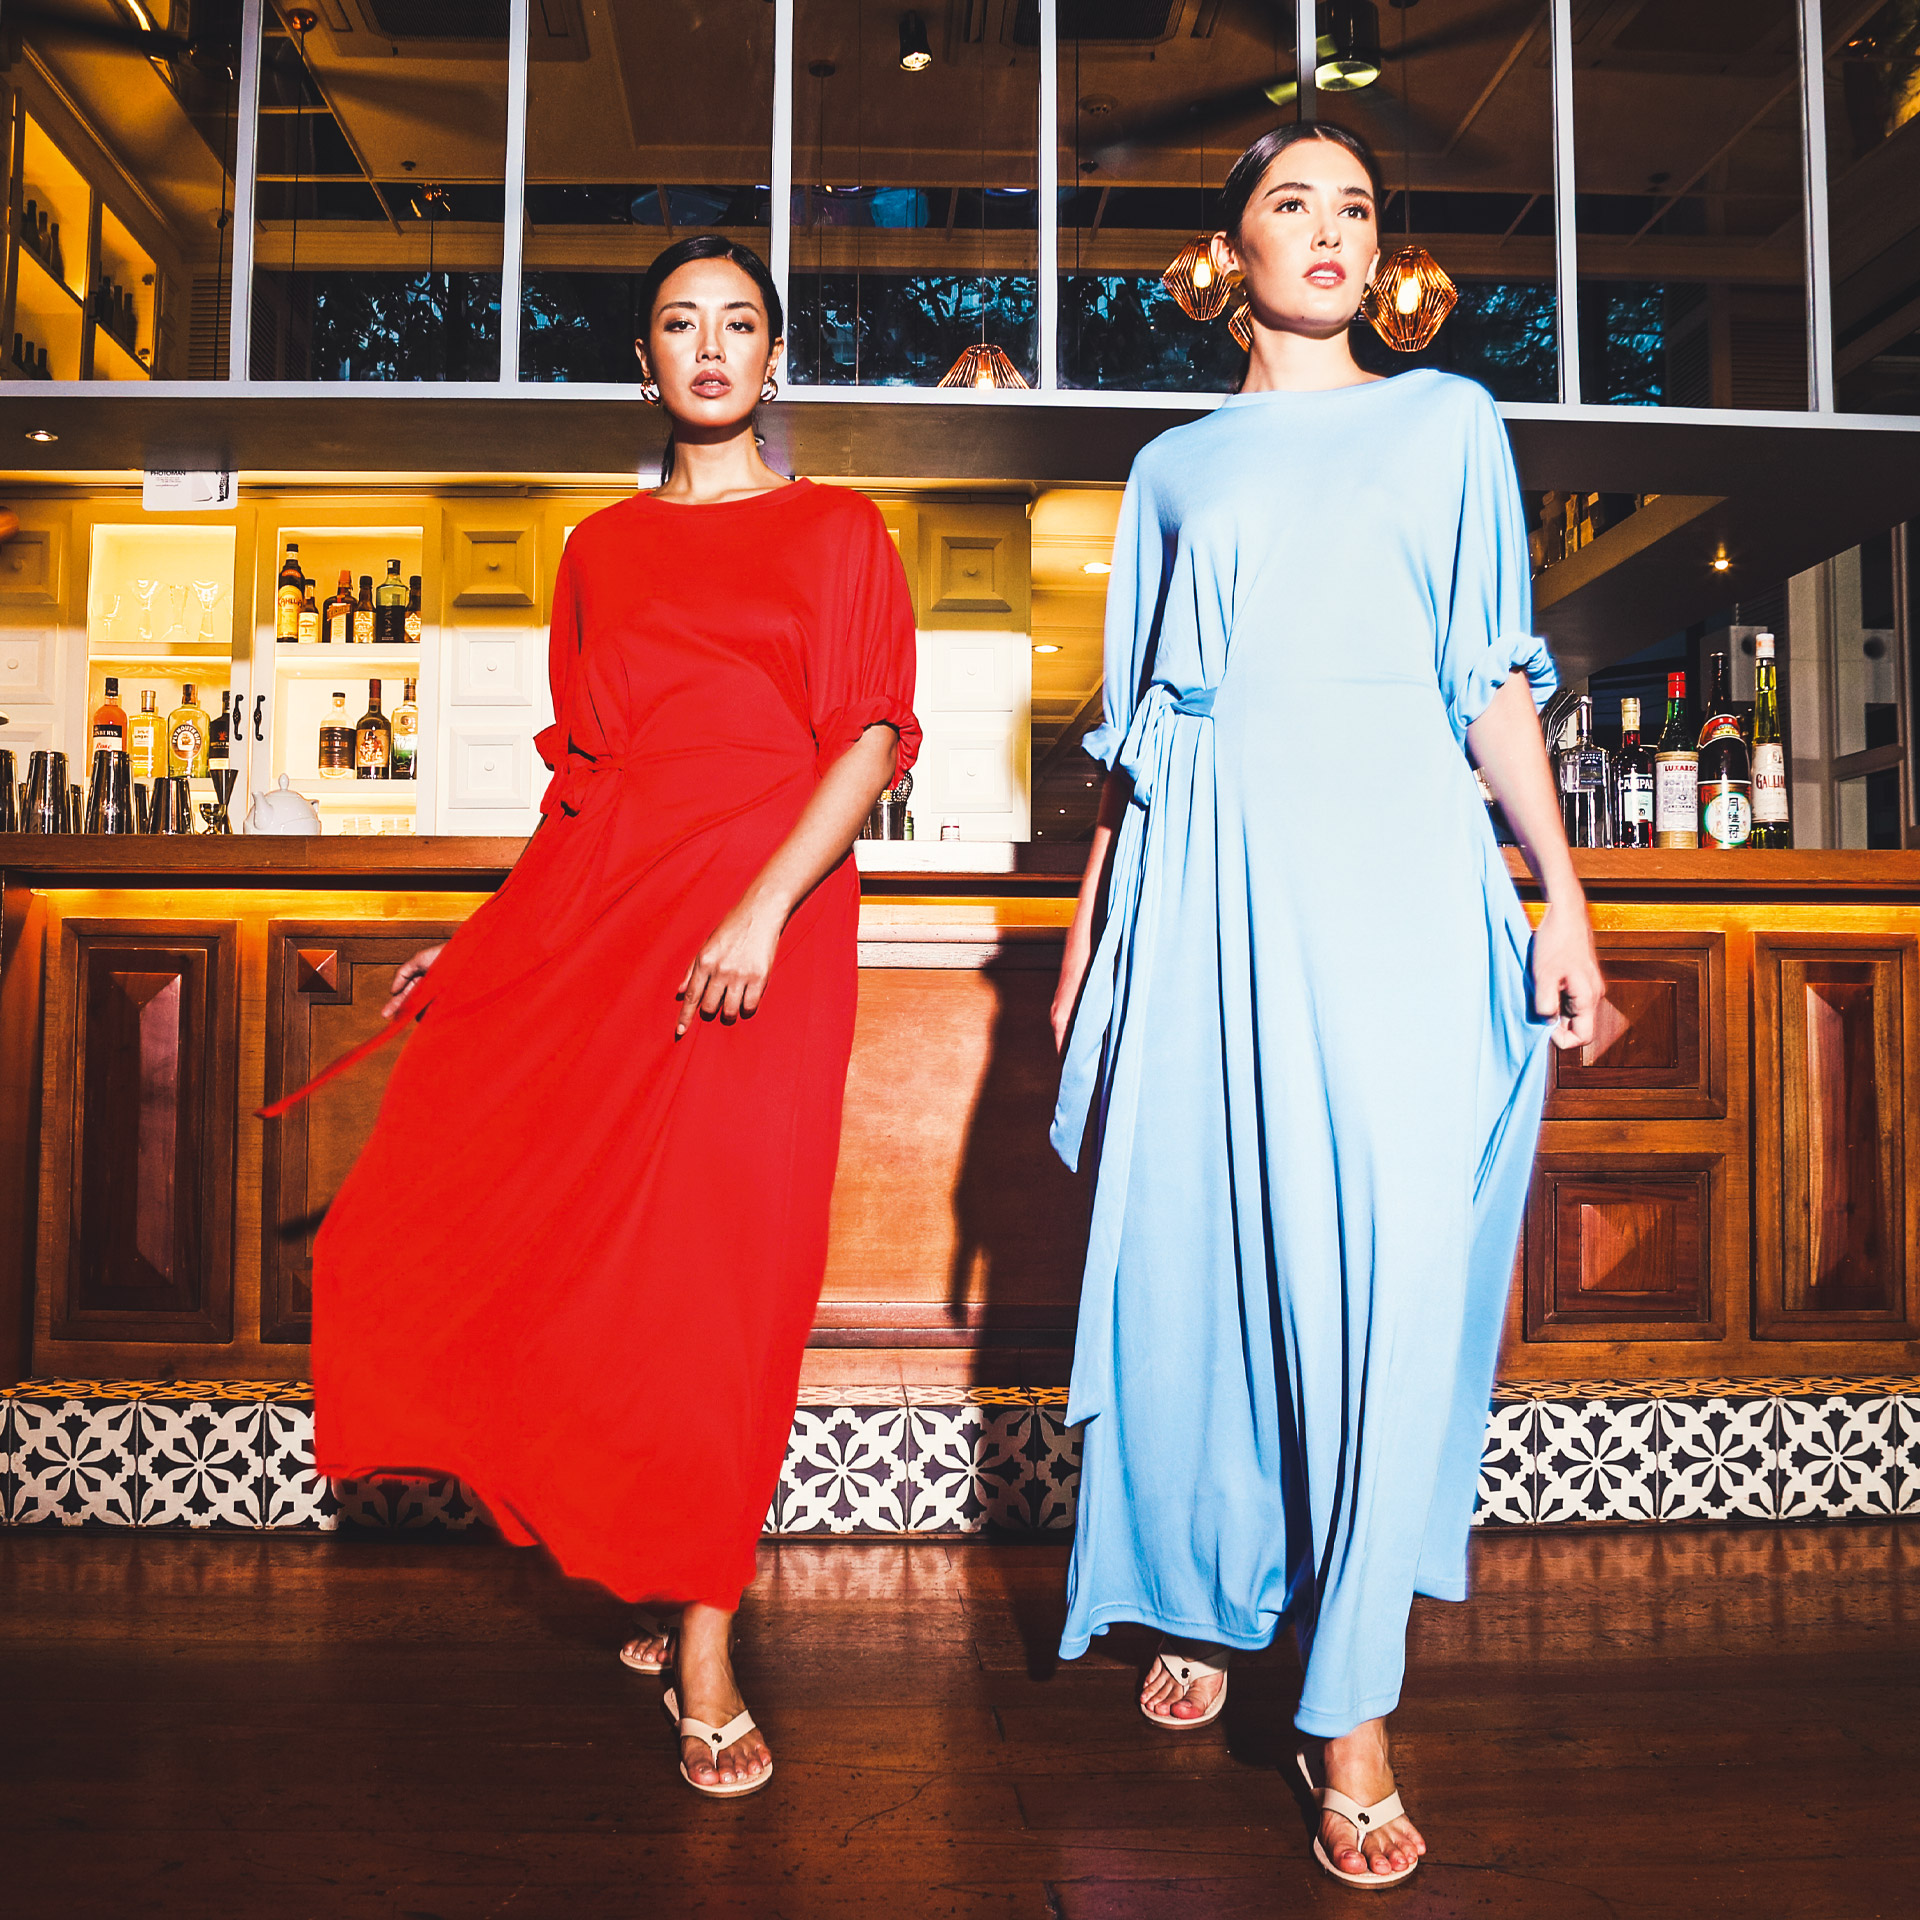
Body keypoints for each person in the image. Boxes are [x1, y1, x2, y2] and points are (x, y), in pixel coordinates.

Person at [1048, 124, 1603, 1888]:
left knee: (1395, 1269)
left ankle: (1349, 1704)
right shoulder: (1171, 469)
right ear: (1232, 250)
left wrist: (1563, 895)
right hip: (1213, 884)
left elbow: (1491, 680)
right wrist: (1087, 937)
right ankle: (1211, 1588)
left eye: (1356, 207)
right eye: (1293, 203)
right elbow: (1138, 736)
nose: (1331, 230)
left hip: (1405, 883)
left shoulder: (1449, 423)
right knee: (1214, 1253)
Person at [306, 235, 920, 1801]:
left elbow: (867, 744)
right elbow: (579, 790)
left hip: (771, 927)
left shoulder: (842, 530)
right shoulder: (600, 550)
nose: (710, 346)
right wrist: (489, 945)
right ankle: (662, 1559)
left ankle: (707, 1639)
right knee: (607, 1272)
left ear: (774, 356)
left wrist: (760, 911)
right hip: (616, 920)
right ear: (645, 362)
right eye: (678, 323)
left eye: (739, 322)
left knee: (731, 1279)